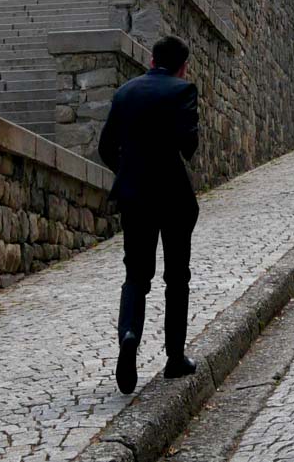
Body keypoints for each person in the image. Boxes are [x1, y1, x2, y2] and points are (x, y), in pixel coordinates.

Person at [98, 34, 200, 394]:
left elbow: (105, 147)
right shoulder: (182, 92)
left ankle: (129, 335)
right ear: (182, 65)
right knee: (177, 276)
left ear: (153, 59)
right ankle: (174, 358)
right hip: (173, 196)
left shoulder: (125, 92)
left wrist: (128, 171)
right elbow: (189, 145)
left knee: (136, 275)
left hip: (134, 196)